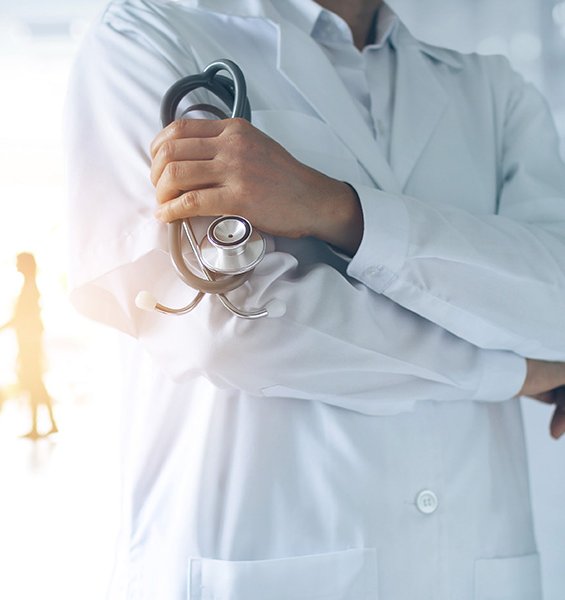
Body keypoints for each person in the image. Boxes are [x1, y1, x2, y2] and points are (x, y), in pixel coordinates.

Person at [65, 0, 565, 597]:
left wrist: (338, 209)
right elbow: (230, 332)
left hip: (477, 569)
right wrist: (508, 367)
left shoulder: (496, 92)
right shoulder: (146, 34)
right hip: (262, 561)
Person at [0, 253, 58, 439]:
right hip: (29, 343)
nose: (16, 266)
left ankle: (39, 426)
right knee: (36, 384)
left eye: (18, 263)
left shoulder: (30, 288)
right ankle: (49, 424)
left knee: (33, 383)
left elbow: (21, 317)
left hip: (29, 344)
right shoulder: (30, 287)